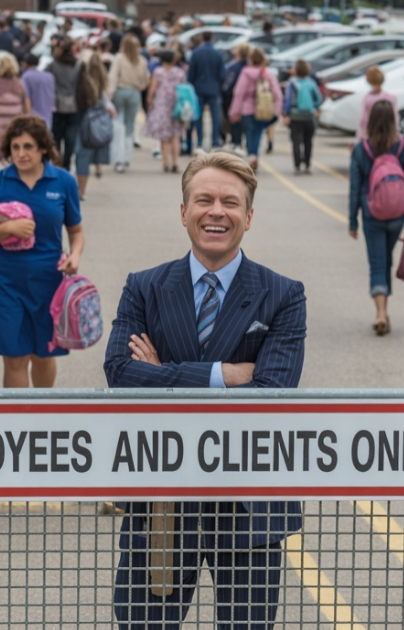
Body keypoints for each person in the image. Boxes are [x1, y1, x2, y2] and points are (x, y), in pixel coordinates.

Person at [103, 151, 306, 629]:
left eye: (230, 202)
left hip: (248, 507)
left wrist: (163, 375)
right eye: (204, 200)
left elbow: (268, 396)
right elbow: (120, 373)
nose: (217, 211)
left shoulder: (284, 295)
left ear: (248, 217)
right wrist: (223, 375)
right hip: (161, 503)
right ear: (183, 211)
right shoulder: (143, 288)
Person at [0, 116, 84, 388]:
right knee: (14, 358)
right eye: (15, 147)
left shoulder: (64, 181)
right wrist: (8, 228)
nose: (21, 154)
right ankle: (18, 414)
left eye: (28, 147)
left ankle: (42, 411)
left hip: (49, 280)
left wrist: (75, 256)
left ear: (43, 148)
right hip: (6, 281)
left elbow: (76, 231)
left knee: (43, 356)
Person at [348, 100, 404, 336]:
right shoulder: (403, 146)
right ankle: (385, 311)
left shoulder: (361, 149)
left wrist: (352, 220)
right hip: (397, 214)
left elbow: (355, 188)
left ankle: (379, 312)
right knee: (386, 260)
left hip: (372, 214)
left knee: (377, 262)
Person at [229, 47, 281, 172]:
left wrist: (234, 111)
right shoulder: (268, 74)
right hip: (263, 110)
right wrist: (277, 111)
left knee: (249, 133)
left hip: (247, 109)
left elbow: (239, 93)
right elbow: (277, 94)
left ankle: (251, 155)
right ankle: (255, 155)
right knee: (258, 133)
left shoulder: (245, 73)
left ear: (250, 60)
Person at [74, 52, 114, 200]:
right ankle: (84, 188)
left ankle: (80, 191)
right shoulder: (103, 80)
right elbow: (106, 101)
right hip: (98, 120)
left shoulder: (83, 80)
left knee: (82, 156)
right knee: (91, 151)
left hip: (84, 120)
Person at [107, 34, 149, 174]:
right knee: (130, 126)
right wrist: (139, 87)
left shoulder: (119, 58)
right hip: (134, 93)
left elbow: (113, 76)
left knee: (118, 125)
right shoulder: (142, 60)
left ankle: (118, 159)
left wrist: (110, 92)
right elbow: (146, 79)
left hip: (120, 91)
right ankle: (127, 156)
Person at [143, 48, 187, 173]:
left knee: (164, 136)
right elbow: (184, 88)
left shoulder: (158, 72)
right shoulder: (179, 72)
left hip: (162, 104)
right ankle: (176, 161)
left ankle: (165, 162)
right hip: (176, 104)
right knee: (175, 135)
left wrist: (149, 100)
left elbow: (153, 88)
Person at [0, 52, 31, 163]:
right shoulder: (19, 83)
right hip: (16, 121)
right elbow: (25, 104)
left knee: (1, 150)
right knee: (16, 148)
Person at [185, 30, 226, 153]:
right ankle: (215, 142)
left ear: (202, 38)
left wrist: (191, 86)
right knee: (215, 118)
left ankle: (199, 142)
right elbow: (222, 74)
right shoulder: (217, 54)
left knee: (198, 117)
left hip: (198, 88)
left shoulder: (196, 53)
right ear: (212, 38)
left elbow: (191, 73)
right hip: (213, 89)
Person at [48, 36, 84, 172]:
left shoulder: (53, 65)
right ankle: (67, 165)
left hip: (57, 105)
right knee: (71, 139)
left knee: (57, 137)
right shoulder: (79, 65)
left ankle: (58, 163)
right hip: (74, 105)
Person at [282, 58, 323, 174]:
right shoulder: (311, 83)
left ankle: (297, 165)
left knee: (296, 141)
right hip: (309, 116)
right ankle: (307, 164)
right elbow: (319, 99)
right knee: (308, 141)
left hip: (295, 116)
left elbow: (288, 100)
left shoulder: (291, 83)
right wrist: (314, 107)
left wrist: (286, 114)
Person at [221, 42, 250, 150]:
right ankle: (239, 142)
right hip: (245, 98)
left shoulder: (235, 67)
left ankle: (236, 141)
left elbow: (228, 83)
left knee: (234, 120)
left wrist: (224, 91)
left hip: (232, 96)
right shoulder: (247, 65)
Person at [358, 65, 397, 141]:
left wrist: (360, 137)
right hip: (388, 136)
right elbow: (394, 119)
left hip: (371, 136)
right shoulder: (390, 98)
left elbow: (363, 121)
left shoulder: (367, 99)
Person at [21, 52, 55, 127]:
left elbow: (26, 97)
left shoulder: (26, 76)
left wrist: (27, 117)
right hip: (48, 116)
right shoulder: (49, 77)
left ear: (25, 63)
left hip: (33, 118)